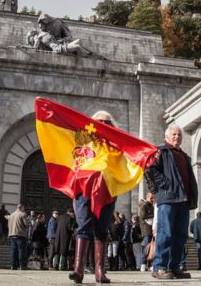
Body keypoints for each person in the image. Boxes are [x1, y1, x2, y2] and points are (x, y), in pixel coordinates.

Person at [69, 110, 119, 284]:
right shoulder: (82, 139)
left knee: (102, 230)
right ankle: (78, 269)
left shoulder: (115, 144)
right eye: (99, 122)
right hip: (84, 191)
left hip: (107, 193)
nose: (103, 125)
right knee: (83, 226)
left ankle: (100, 271)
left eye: (107, 122)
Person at [144, 124, 199, 280]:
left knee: (180, 235)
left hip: (183, 200)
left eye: (179, 135)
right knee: (165, 233)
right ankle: (159, 267)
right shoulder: (160, 151)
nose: (177, 137)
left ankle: (174, 267)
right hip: (168, 199)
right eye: (174, 134)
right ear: (166, 137)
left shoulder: (184, 155)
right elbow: (149, 169)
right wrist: (164, 186)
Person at [8, 204, 31, 270]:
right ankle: (22, 265)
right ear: (22, 208)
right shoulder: (22, 214)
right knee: (21, 251)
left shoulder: (11, 215)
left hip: (12, 235)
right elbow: (26, 224)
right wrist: (30, 224)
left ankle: (13, 265)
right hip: (20, 235)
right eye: (24, 208)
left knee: (13, 251)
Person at [138, 192, 154, 272]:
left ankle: (150, 264)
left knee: (151, 248)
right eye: (151, 198)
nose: (152, 199)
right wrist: (154, 216)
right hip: (146, 230)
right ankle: (143, 264)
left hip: (151, 230)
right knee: (146, 248)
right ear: (147, 197)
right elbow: (143, 216)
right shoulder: (143, 206)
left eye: (153, 198)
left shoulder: (152, 206)